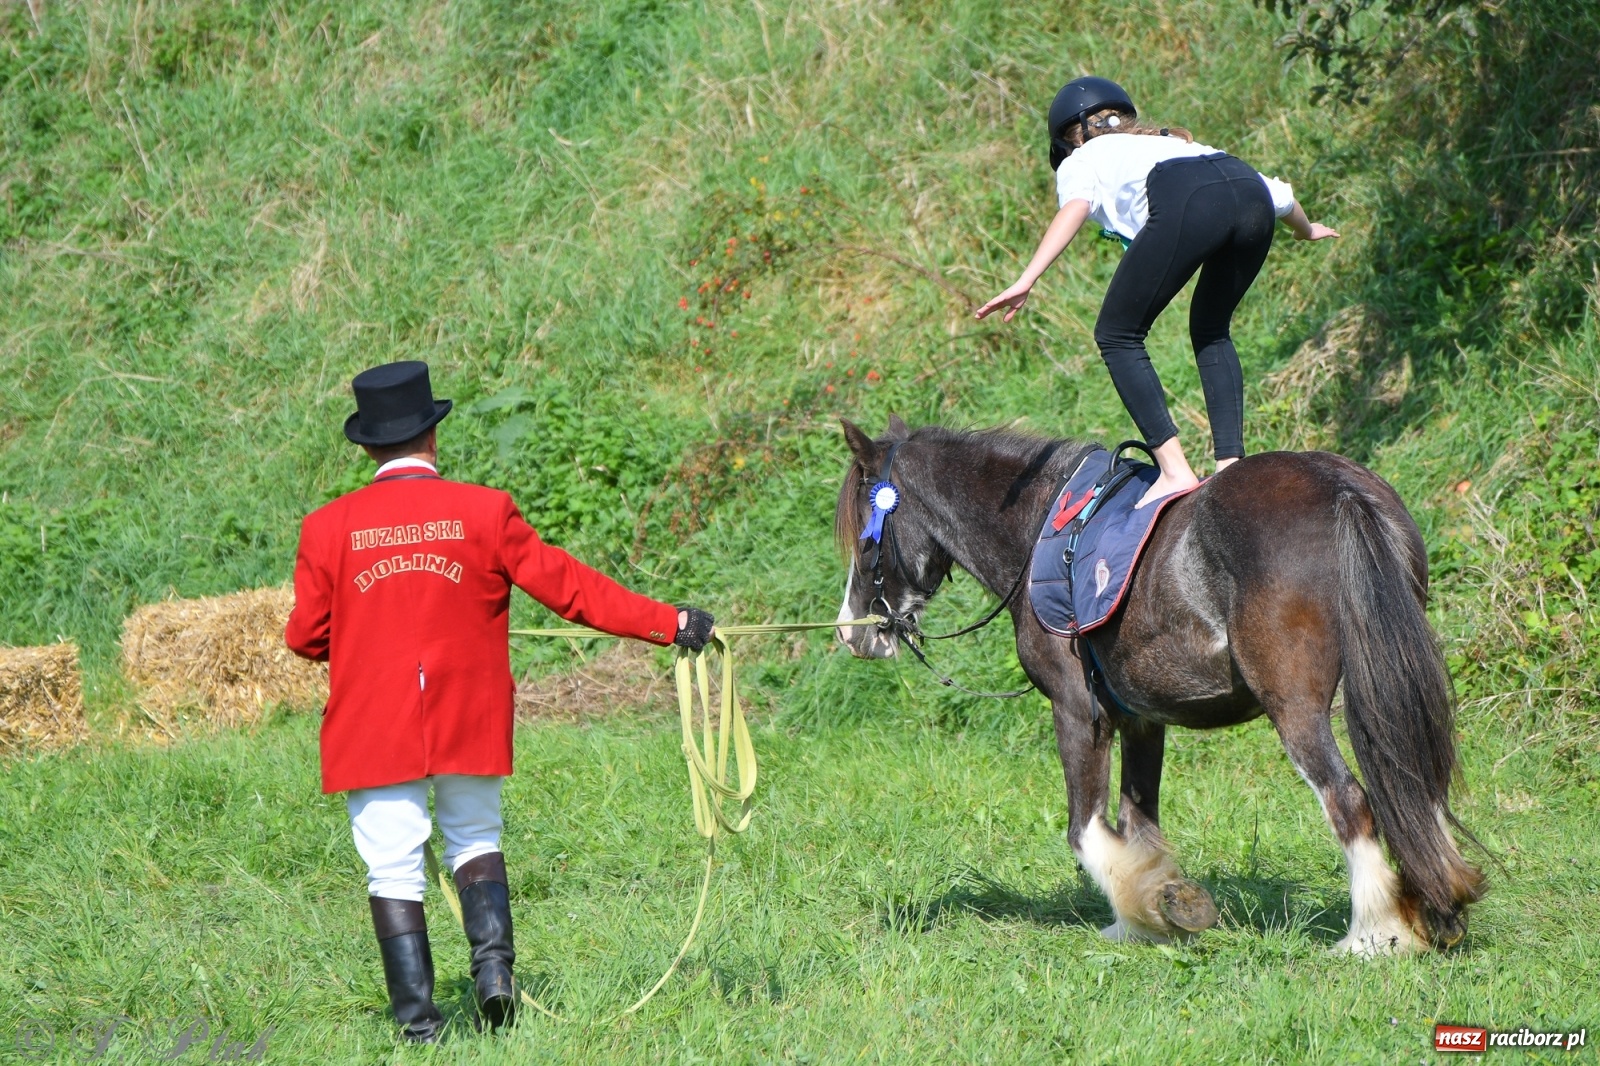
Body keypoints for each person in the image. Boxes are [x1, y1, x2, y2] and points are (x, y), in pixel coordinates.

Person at [285, 360, 715, 1043]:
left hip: (373, 720)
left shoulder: (326, 527)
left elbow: (305, 637)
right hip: (468, 709)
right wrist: (668, 622)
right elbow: (570, 589)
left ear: (367, 448)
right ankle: (492, 972)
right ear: (433, 438)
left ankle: (421, 1029)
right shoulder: (486, 510)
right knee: (475, 837)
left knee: (392, 864)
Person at [975, 76, 1339, 507]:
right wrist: (1307, 229)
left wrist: (1026, 278)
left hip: (1189, 200)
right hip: (1249, 193)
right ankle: (1230, 465)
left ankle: (1174, 471)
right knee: (1212, 329)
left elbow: (1076, 206)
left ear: (1069, 140)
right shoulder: (1172, 144)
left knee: (1117, 335)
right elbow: (1278, 196)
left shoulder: (1083, 157)